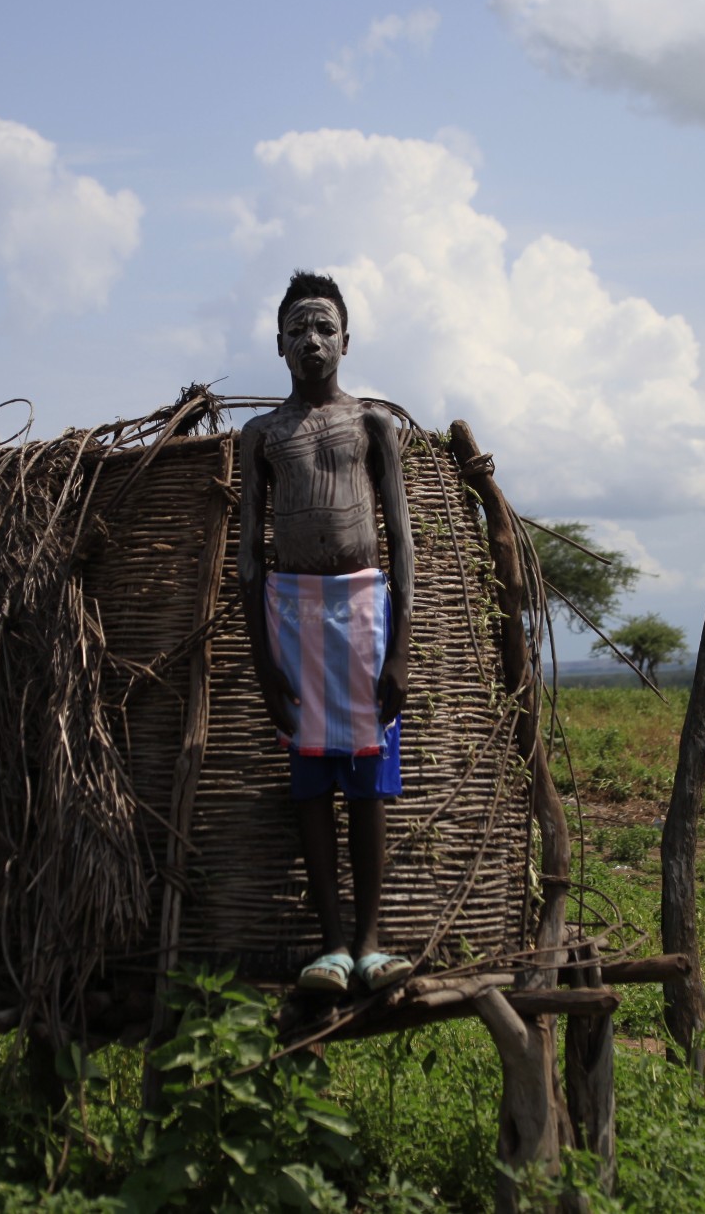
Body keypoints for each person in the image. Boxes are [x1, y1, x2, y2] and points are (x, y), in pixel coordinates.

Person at [238, 271, 415, 994]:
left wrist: (401, 646)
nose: (312, 340)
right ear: (278, 343)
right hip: (294, 612)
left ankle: (371, 942)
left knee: (367, 781)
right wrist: (261, 661)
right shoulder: (262, 435)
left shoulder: (373, 425)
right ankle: (332, 945)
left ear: (346, 339)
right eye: (299, 328)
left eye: (325, 327)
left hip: (366, 609)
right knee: (311, 782)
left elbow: (402, 541)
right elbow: (250, 551)